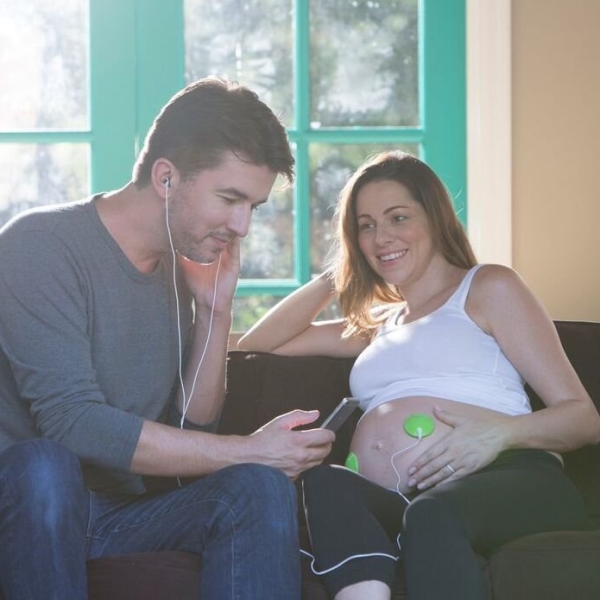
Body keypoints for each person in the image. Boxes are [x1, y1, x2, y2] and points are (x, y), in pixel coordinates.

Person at [0, 77, 335, 600]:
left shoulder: (184, 266)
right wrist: (248, 449)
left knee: (256, 486)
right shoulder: (39, 246)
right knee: (45, 465)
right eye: (230, 198)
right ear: (166, 178)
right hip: (30, 507)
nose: (242, 225)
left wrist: (214, 309)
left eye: (255, 206)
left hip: (118, 515)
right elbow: (72, 423)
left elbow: (192, 423)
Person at [237, 150, 600, 600]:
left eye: (397, 218)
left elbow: (583, 418)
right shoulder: (376, 325)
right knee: (325, 481)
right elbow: (258, 344)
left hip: (513, 477)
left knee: (432, 515)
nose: (381, 237)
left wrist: (500, 435)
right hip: (406, 501)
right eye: (365, 225)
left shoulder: (487, 288)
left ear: (434, 219)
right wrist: (344, 269)